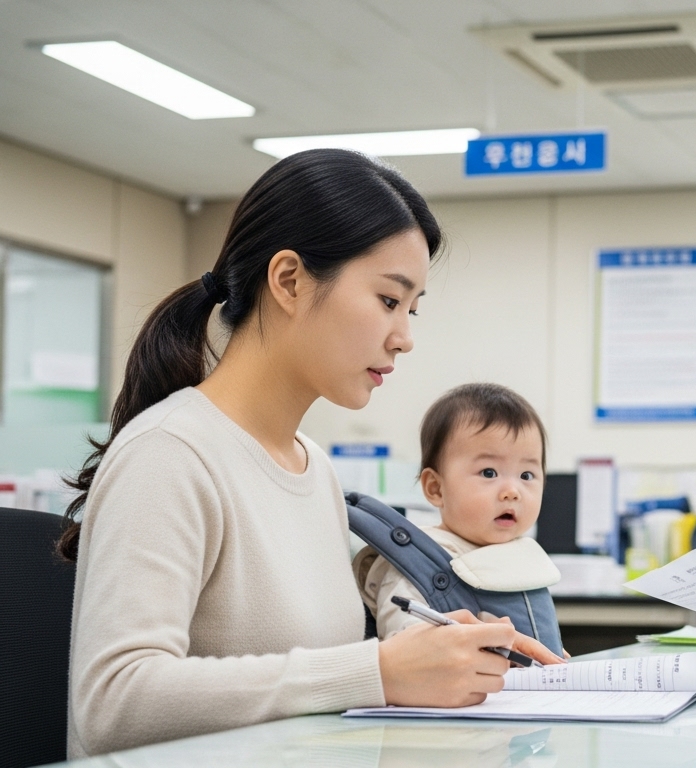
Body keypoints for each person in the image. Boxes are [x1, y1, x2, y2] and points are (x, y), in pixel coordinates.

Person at [63, 149, 562, 759]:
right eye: (388, 300)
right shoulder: (169, 454)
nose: (404, 337)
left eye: (412, 308)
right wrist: (376, 670)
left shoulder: (314, 468)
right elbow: (113, 703)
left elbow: (315, 678)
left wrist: (420, 649)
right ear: (290, 281)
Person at [355, 383, 563, 653]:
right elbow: (403, 647)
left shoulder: (524, 558)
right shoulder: (417, 564)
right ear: (436, 488)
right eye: (489, 473)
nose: (513, 492)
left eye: (526, 475)